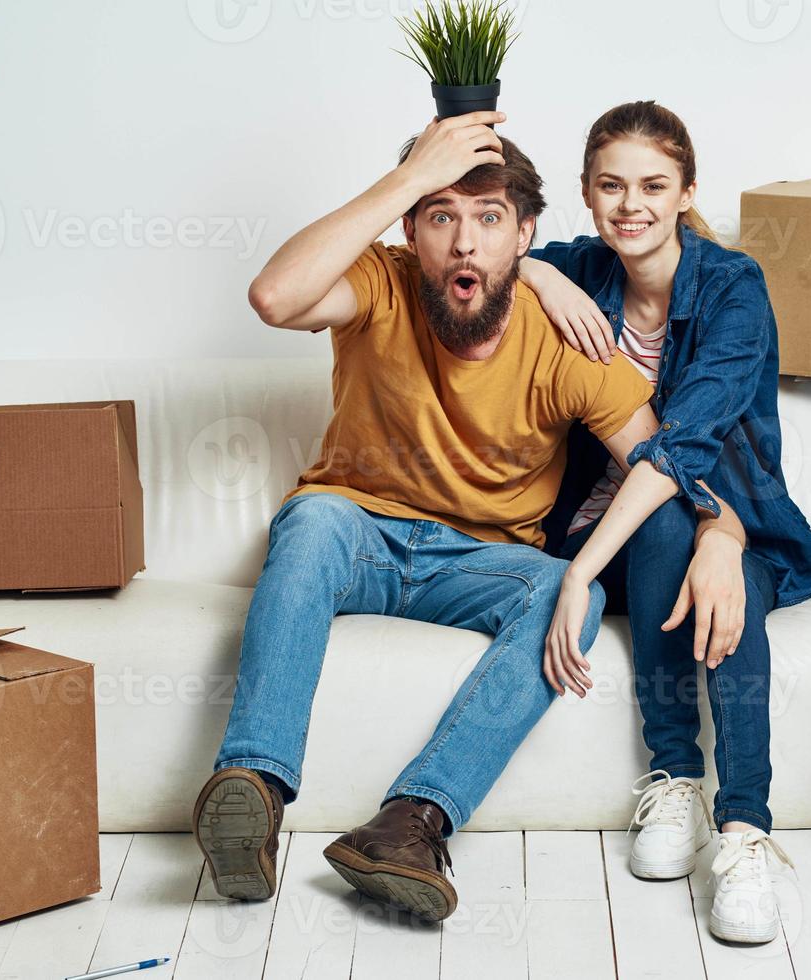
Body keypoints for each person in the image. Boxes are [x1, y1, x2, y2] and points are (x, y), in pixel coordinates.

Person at [193, 110, 718, 922]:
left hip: (478, 564)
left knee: (562, 600)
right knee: (312, 522)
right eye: (441, 216)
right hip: (355, 534)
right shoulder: (380, 281)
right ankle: (252, 790)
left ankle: (410, 824)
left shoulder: (569, 342)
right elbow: (273, 296)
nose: (464, 244)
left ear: (525, 235)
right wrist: (408, 175)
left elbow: (663, 466)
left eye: (488, 219)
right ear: (411, 229)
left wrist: (717, 534)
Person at [520, 100, 811, 944]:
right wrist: (539, 273)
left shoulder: (732, 286)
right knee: (668, 530)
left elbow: (682, 445)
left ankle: (740, 828)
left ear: (685, 190)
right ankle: (672, 781)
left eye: (652, 186)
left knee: (697, 544)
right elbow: (465, 248)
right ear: (587, 196)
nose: (631, 205)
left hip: (737, 524)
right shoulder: (580, 269)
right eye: (611, 186)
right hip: (610, 533)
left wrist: (716, 536)